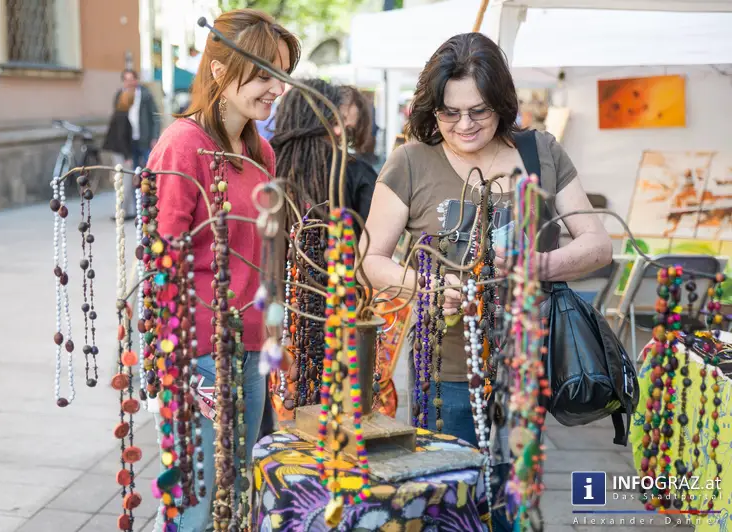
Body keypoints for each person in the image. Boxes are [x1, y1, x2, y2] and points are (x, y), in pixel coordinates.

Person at [360, 33, 612, 530]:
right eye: (449, 113)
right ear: (432, 110)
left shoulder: (540, 152)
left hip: (526, 362)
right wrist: (428, 286)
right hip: (445, 369)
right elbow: (370, 258)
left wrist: (537, 265)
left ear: (501, 102)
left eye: (478, 110)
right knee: (448, 503)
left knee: (514, 501)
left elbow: (598, 244)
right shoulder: (410, 162)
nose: (464, 124)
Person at [145, 9, 300, 531]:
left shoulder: (262, 151)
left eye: (280, 74)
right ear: (218, 72)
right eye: (262, 74)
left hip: (254, 347)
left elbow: (267, 253)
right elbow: (161, 261)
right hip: (202, 353)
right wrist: (180, 369)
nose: (274, 87)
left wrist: (280, 340)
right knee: (201, 502)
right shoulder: (183, 146)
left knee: (240, 497)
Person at [270, 79, 377, 235]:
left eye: (349, 131)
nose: (340, 132)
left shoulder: (263, 162)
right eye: (335, 121)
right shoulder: (264, 163)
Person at [112, 69, 160, 219]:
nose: (129, 82)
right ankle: (138, 209)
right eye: (126, 79)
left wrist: (154, 137)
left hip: (144, 140)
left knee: (147, 174)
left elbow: (155, 116)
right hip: (129, 141)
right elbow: (117, 119)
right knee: (132, 176)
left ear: (136, 80)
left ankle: (150, 206)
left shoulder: (145, 94)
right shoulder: (120, 95)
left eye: (132, 79)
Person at [102, 88, 134, 180]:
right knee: (124, 180)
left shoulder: (118, 113)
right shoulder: (122, 116)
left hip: (117, 150)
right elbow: (121, 136)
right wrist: (127, 156)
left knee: (120, 178)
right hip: (120, 152)